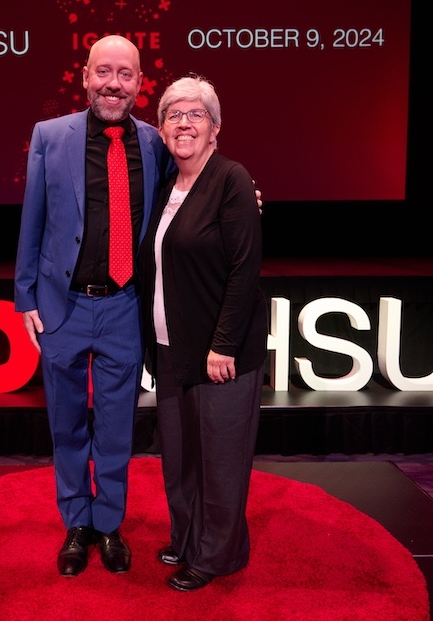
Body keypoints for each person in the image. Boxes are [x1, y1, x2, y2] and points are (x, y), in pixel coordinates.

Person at [14, 36, 262, 579]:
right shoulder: (49, 137)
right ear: (84, 75)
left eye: (125, 75)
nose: (113, 83)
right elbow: (32, 218)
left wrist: (246, 193)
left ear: (139, 83)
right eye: (103, 72)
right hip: (62, 307)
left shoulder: (155, 142)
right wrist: (25, 294)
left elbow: (198, 188)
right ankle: (76, 522)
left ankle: (108, 525)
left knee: (117, 429)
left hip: (126, 307)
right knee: (66, 423)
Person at [138, 74, 268, 592]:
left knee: (220, 459)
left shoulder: (232, 179)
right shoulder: (164, 186)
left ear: (215, 129)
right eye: (174, 114)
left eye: (196, 114)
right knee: (181, 457)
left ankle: (218, 555)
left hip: (221, 354)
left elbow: (245, 270)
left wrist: (223, 345)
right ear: (162, 128)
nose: (184, 122)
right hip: (172, 349)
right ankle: (189, 537)